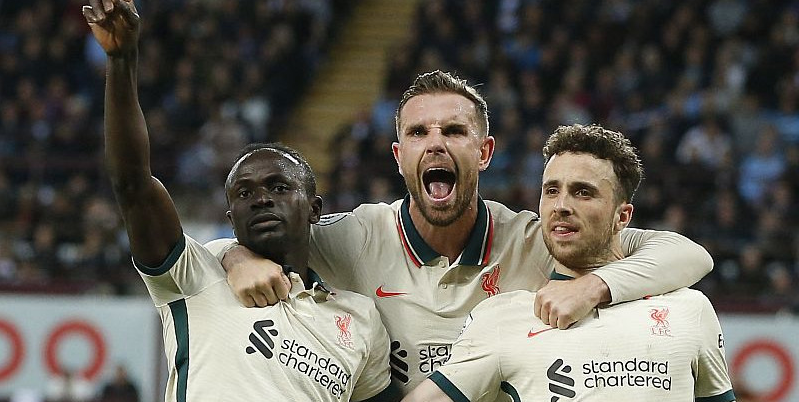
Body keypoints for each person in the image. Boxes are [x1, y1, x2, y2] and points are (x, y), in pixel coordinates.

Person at [213, 70, 714, 395]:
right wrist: (237, 256)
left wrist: (596, 285)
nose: (435, 145)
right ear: (398, 156)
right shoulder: (354, 236)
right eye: (418, 133)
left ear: (485, 152)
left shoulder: (535, 239)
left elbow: (685, 254)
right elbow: (238, 241)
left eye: (453, 132)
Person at [81, 0, 398, 400]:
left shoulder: (360, 318)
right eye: (245, 193)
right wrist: (122, 60)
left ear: (315, 209)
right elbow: (133, 183)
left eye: (279, 187)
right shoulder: (194, 275)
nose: (261, 198)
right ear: (231, 217)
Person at [403, 124, 735, 402]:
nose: (561, 205)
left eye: (583, 192)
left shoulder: (690, 309)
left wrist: (595, 288)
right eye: (551, 190)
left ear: (623, 217)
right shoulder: (502, 317)